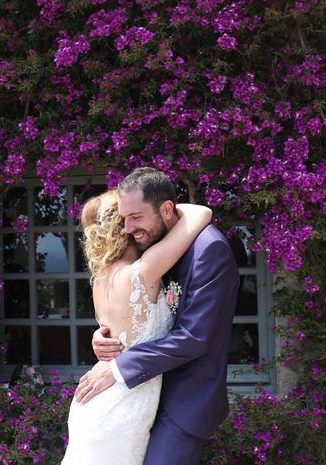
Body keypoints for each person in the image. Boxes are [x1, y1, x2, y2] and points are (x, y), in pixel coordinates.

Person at [75, 167, 239, 465]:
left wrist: (117, 366)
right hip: (136, 398)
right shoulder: (153, 247)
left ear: (166, 209)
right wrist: (106, 337)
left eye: (136, 217)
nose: (126, 228)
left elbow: (194, 336)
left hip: (181, 401)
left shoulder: (209, 250)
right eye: (123, 218)